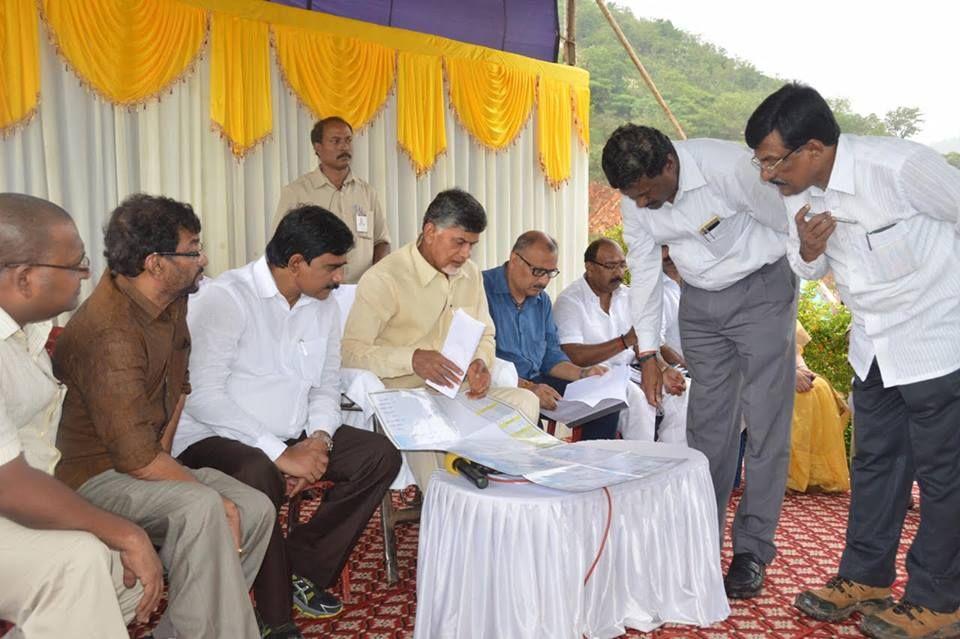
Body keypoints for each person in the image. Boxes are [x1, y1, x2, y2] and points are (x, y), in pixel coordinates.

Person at [746, 83, 960, 639]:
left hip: (937, 340)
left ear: (813, 147)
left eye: (773, 160)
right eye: (760, 162)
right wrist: (810, 251)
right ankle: (865, 577)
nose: (767, 174)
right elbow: (805, 264)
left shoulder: (902, 167)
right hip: (873, 346)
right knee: (876, 466)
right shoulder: (799, 190)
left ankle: (938, 599)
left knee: (944, 477)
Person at [173, 205, 401, 639]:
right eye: (332, 268)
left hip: (292, 432)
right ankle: (276, 619)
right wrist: (281, 456)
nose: (339, 279)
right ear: (295, 263)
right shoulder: (226, 298)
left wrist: (317, 441)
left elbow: (325, 385)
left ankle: (297, 563)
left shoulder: (323, 304)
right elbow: (203, 397)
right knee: (259, 473)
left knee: (379, 456)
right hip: (215, 435)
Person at [53, 194, 275, 639]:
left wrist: (182, 472)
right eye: (192, 249)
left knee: (255, 508)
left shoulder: (171, 299)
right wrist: (200, 491)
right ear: (155, 263)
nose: (202, 258)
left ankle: (183, 632)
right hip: (92, 475)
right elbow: (134, 458)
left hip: (140, 461)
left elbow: (176, 392)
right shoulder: (109, 331)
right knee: (202, 505)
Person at [601, 124, 796, 599]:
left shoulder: (727, 168)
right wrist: (648, 354)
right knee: (708, 425)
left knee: (767, 424)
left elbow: (787, 221)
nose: (642, 205)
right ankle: (699, 540)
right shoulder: (635, 198)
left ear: (670, 164)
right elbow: (645, 273)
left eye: (647, 193)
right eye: (633, 197)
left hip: (761, 288)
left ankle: (751, 550)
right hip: (700, 302)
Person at [0, 194, 162, 638]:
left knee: (122, 577)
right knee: (79, 562)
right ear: (25, 277)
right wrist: (126, 532)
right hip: (8, 496)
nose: (87, 274)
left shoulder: (28, 332)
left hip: (16, 500)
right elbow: (9, 483)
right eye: (74, 264)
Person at [341, 189, 539, 489]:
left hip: (460, 393)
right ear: (430, 231)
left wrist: (480, 363)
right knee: (433, 447)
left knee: (524, 403)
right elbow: (351, 353)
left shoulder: (470, 275)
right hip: (408, 402)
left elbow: (486, 333)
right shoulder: (385, 279)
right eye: (458, 242)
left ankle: (500, 503)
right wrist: (412, 359)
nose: (465, 254)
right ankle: (449, 516)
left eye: (471, 245)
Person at [483, 231, 619, 439]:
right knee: (528, 418)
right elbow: (480, 362)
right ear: (514, 260)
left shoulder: (541, 301)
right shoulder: (483, 290)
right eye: (538, 271)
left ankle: (589, 466)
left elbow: (550, 356)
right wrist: (528, 387)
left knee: (602, 401)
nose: (544, 281)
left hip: (537, 379)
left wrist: (583, 374)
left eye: (550, 272)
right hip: (499, 385)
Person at [553, 237, 688, 442]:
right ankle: (638, 465)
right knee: (639, 399)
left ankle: (668, 461)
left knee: (682, 392)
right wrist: (624, 341)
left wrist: (662, 368)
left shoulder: (628, 296)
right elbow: (573, 354)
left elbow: (643, 343)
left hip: (632, 370)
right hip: (594, 376)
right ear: (589, 267)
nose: (618, 273)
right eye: (610, 266)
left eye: (622, 265)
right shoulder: (570, 301)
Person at [273, 116, 390, 284]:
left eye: (348, 140)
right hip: (314, 294)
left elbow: (382, 241)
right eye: (335, 141)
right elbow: (281, 247)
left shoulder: (367, 192)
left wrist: (375, 278)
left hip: (360, 292)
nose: (344, 147)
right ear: (317, 147)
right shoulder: (297, 192)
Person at [788, 321, 850, 494]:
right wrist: (790, 374)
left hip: (786, 370)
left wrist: (803, 371)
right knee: (796, 397)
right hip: (762, 375)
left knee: (818, 387)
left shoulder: (784, 307)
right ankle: (790, 474)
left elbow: (794, 350)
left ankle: (813, 474)